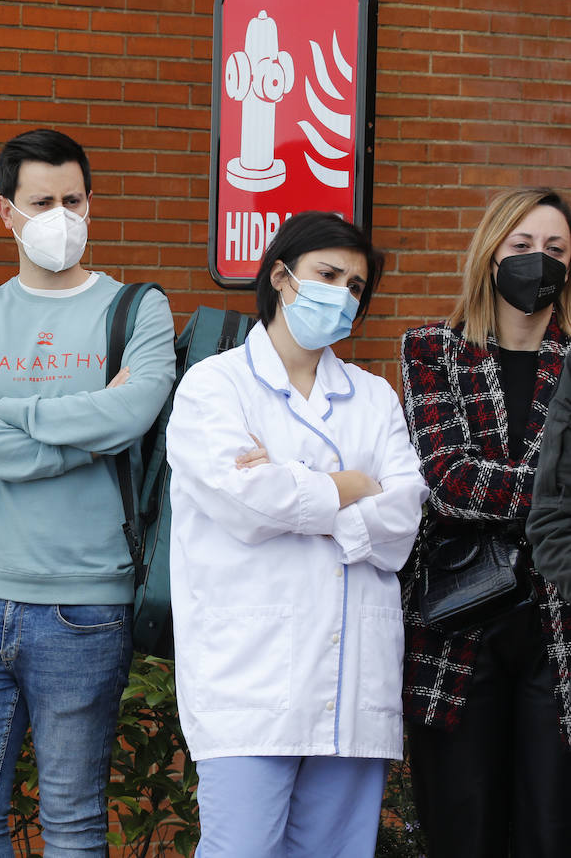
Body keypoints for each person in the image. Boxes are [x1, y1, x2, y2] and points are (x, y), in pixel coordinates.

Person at [0, 128, 176, 858]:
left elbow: (130, 417)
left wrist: (13, 415)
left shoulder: (136, 310)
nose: (59, 215)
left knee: (72, 821)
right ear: (6, 212)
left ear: (91, 203)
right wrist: (83, 432)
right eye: (41, 202)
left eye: (72, 199)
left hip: (85, 604)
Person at [166, 212, 426, 858]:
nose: (342, 295)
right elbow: (248, 501)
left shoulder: (373, 397)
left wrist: (296, 487)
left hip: (352, 687)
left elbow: (402, 524)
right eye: (328, 275)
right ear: (281, 277)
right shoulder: (214, 386)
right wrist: (350, 485)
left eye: (356, 286)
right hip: (251, 684)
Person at [404, 187, 571, 856]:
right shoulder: (433, 350)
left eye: (556, 249)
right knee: (462, 828)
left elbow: (481, 482)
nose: (539, 261)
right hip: (459, 616)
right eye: (523, 246)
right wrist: (557, 495)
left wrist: (514, 494)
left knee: (550, 828)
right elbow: (447, 480)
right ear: (490, 253)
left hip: (558, 623)